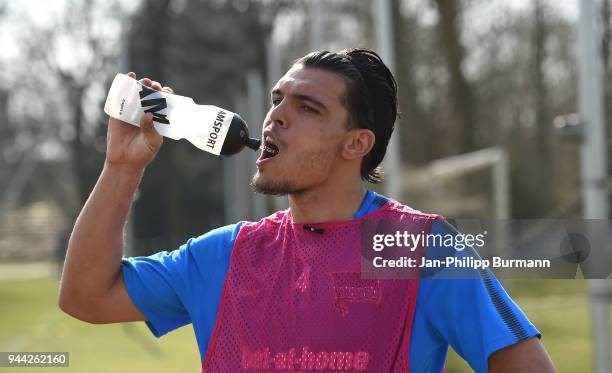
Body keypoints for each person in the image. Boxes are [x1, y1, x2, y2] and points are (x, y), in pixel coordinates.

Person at [59, 48, 555, 372]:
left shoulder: (419, 248)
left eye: (308, 108)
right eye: (278, 101)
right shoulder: (223, 255)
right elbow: (86, 296)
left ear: (356, 143)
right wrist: (121, 168)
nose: (276, 116)